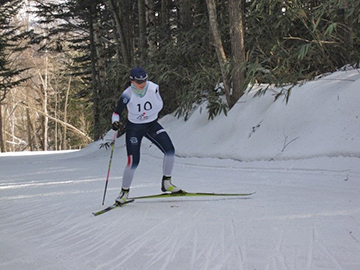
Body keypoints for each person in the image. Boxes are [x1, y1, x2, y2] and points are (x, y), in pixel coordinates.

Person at [111, 67, 182, 204]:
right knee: (133, 161)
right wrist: (115, 122)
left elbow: (158, 104)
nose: (142, 84)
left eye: (144, 81)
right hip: (134, 129)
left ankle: (166, 182)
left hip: (151, 125)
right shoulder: (127, 94)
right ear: (132, 81)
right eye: (138, 82)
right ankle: (124, 192)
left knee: (170, 151)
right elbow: (116, 112)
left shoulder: (153, 88)